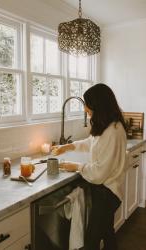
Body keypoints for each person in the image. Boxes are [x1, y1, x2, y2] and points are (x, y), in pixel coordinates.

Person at [52, 83, 127, 250]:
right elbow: (92, 143)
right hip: (109, 190)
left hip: (108, 193)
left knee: (91, 242)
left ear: (98, 104)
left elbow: (99, 173)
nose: (85, 108)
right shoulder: (109, 125)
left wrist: (76, 166)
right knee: (107, 232)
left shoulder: (113, 131)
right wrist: (68, 146)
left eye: (87, 104)